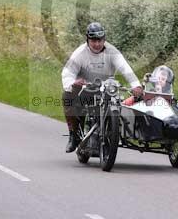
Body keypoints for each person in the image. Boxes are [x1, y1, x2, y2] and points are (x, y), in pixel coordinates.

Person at [61, 22, 143, 153]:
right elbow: (67, 72)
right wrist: (72, 83)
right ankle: (73, 135)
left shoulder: (112, 51)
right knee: (67, 96)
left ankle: (111, 132)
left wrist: (136, 85)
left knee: (120, 104)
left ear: (104, 39)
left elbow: (125, 68)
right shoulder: (80, 53)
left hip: (107, 88)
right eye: (93, 40)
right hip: (86, 88)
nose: (97, 44)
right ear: (87, 40)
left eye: (100, 40)